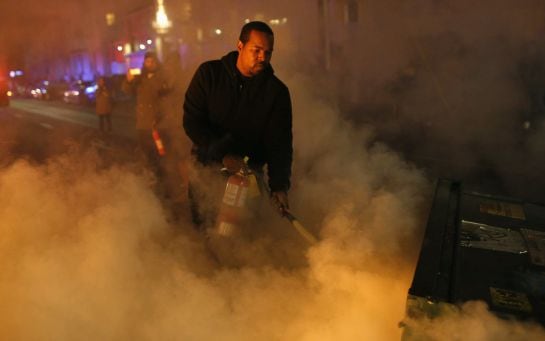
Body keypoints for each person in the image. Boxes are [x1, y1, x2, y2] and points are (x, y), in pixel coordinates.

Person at [183, 21, 293, 228]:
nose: (263, 57)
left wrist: (279, 186)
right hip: (207, 170)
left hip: (248, 177)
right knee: (205, 230)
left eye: (268, 53)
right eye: (257, 50)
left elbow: (280, 145)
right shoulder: (209, 75)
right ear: (240, 46)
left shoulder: (276, 93)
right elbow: (192, 121)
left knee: (241, 235)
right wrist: (222, 155)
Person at [123, 51, 171, 193]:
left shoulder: (161, 77)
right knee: (146, 154)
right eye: (147, 61)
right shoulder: (140, 78)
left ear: (156, 63)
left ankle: (163, 182)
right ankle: (150, 181)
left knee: (160, 154)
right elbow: (127, 90)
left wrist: (161, 118)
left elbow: (166, 97)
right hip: (143, 125)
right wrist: (128, 80)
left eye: (152, 61)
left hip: (157, 125)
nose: (149, 64)